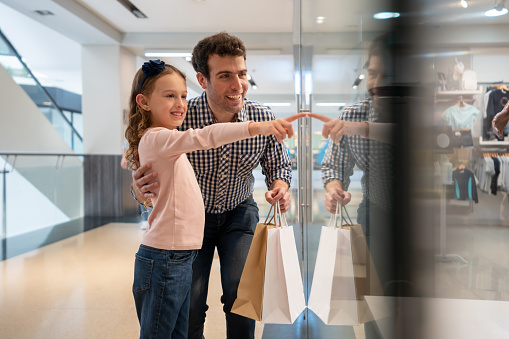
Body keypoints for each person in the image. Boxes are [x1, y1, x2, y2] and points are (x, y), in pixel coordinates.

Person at [131, 32, 298, 339]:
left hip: (239, 211)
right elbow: (144, 165)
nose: (238, 85)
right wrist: (139, 189)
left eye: (242, 74)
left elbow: (278, 167)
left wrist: (280, 188)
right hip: (191, 223)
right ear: (203, 79)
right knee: (191, 304)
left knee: (240, 297)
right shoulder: (180, 115)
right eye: (224, 76)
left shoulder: (263, 115)